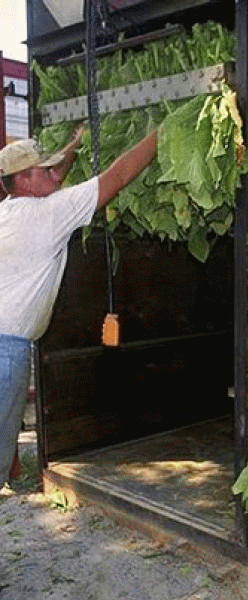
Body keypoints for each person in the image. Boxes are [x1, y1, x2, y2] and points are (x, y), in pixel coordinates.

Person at [0, 124, 158, 488]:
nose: (57, 175)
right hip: (7, 354)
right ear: (24, 180)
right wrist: (161, 133)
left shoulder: (11, 208)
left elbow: (50, 183)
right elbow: (117, 177)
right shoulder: (47, 215)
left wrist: (73, 144)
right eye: (47, 170)